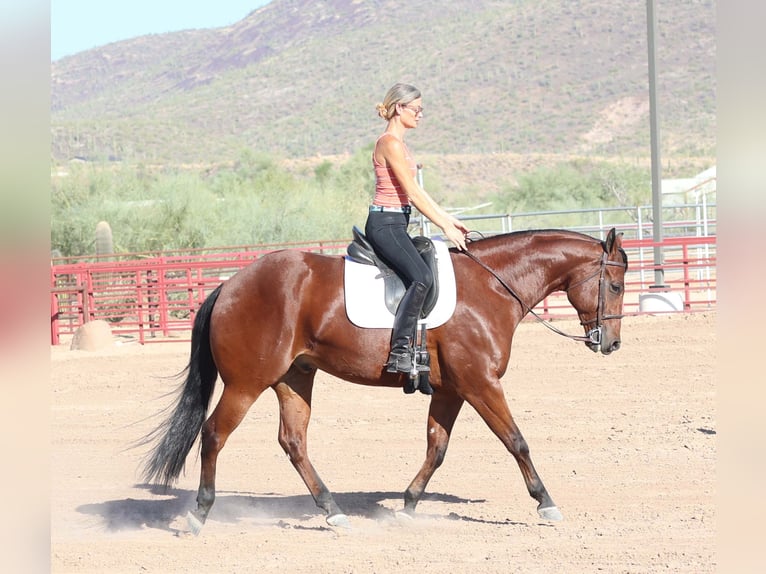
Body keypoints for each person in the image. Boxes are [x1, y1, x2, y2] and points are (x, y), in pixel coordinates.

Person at [365, 82, 469, 379]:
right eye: (416, 109)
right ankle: (399, 352)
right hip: (385, 224)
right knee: (421, 277)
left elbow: (419, 193)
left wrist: (450, 217)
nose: (420, 115)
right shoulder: (389, 143)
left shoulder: (401, 145)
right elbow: (412, 192)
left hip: (398, 222)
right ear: (400, 108)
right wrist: (444, 226)